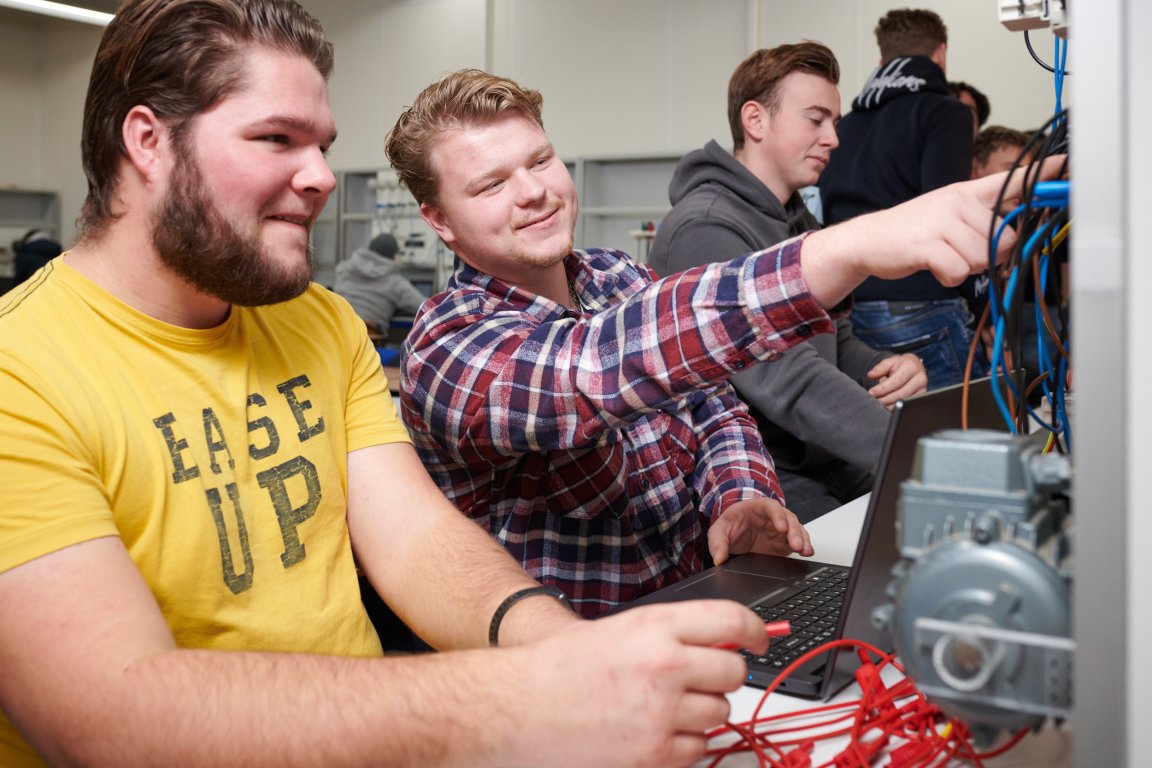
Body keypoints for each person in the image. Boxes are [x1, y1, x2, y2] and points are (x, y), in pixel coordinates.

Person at [0, 3, 796, 766]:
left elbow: (420, 545)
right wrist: (520, 695)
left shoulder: (318, 322)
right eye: (276, 137)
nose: (318, 176)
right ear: (148, 140)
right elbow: (107, 720)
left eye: (320, 143)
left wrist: (574, 656)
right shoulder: (20, 367)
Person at [384, 68, 1056, 619]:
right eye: (492, 184)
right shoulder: (446, 343)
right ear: (438, 220)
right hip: (585, 658)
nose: (533, 192)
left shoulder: (615, 273)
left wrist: (738, 495)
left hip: (705, 604)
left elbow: (713, 401)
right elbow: (594, 369)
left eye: (540, 160)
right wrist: (845, 249)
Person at [647, 42, 927, 523]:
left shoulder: (799, 223)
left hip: (823, 454)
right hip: (764, 475)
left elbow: (834, 339)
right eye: (815, 119)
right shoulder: (704, 228)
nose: (833, 138)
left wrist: (885, 369)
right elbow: (788, 379)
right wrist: (914, 455)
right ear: (756, 121)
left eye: (834, 123)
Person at [818, 8, 988, 390]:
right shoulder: (946, 114)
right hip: (924, 303)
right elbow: (949, 216)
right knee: (964, 441)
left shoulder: (844, 126)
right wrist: (985, 312)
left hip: (852, 312)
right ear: (941, 54)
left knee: (890, 443)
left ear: (882, 61)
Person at [333, 230, 427, 338]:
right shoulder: (395, 282)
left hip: (337, 331)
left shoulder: (343, 269)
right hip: (368, 338)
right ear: (392, 257)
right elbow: (424, 307)